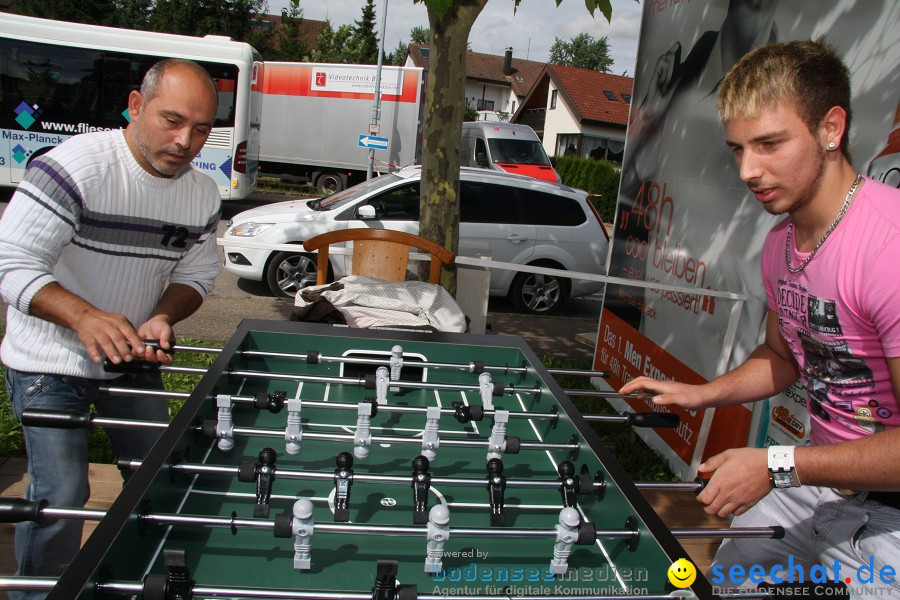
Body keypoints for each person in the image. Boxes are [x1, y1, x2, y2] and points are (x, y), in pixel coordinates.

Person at [620, 38, 900, 593]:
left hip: (887, 512)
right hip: (816, 477)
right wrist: (699, 394)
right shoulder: (780, 243)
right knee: (719, 586)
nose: (749, 170)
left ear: (831, 128)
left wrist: (775, 465)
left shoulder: (888, 246)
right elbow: (782, 355)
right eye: (737, 150)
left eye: (769, 144)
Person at [0, 58, 221, 598]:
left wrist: (164, 314)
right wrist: (83, 316)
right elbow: (10, 260)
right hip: (47, 360)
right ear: (136, 105)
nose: (185, 140)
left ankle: (134, 582)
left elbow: (197, 275)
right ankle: (39, 595)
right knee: (63, 495)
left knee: (159, 479)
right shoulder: (73, 167)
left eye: (200, 129)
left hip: (131, 358)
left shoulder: (202, 194)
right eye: (172, 120)